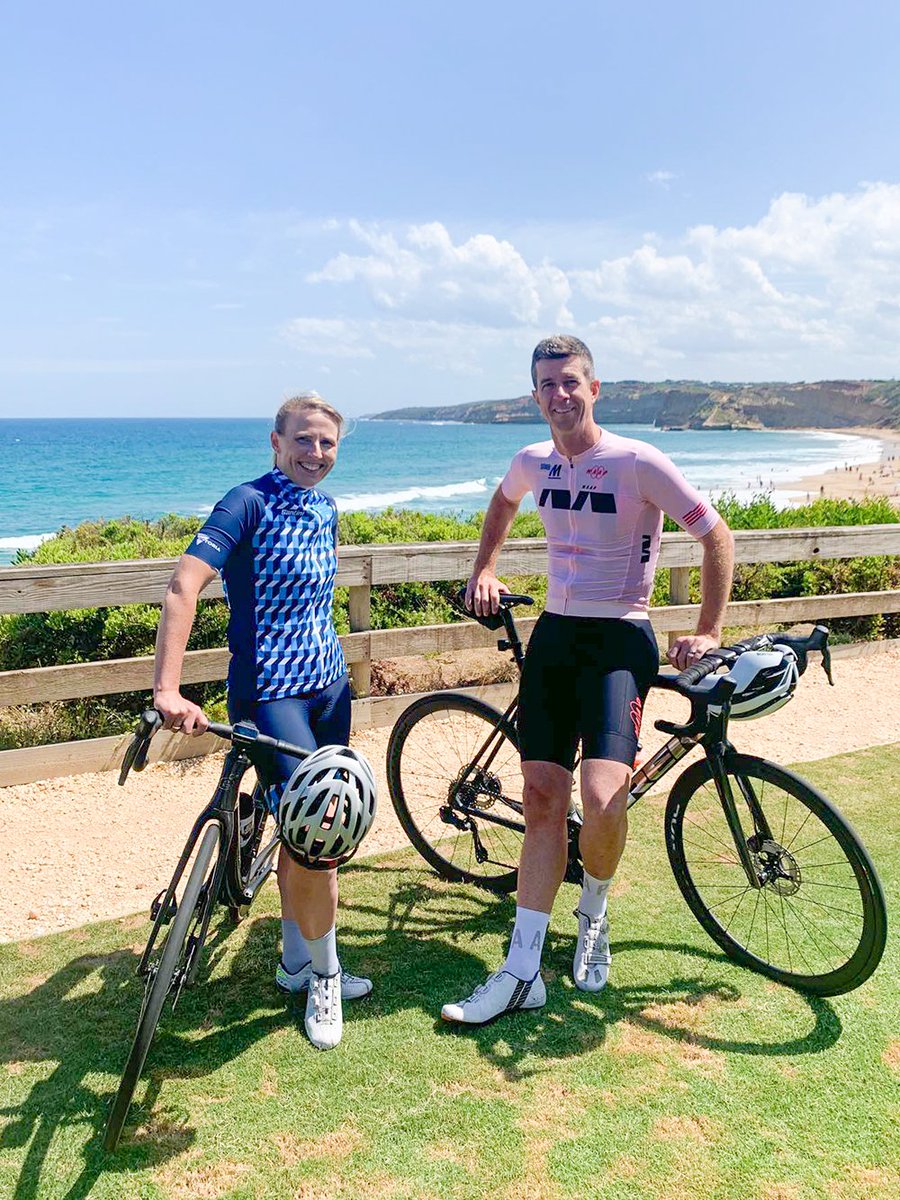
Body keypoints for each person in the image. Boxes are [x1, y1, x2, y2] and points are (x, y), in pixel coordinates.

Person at [441, 336, 734, 1026]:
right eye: (547, 385)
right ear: (534, 395)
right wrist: (484, 568)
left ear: (594, 389)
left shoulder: (637, 461)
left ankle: (593, 910)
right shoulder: (531, 461)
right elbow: (502, 505)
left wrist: (710, 628)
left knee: (604, 800)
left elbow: (716, 536)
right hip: (554, 635)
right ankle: (521, 971)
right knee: (542, 796)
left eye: (571, 382)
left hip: (618, 637)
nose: (559, 394)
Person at [153, 392, 370, 1051]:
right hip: (269, 693)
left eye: (327, 443)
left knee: (303, 834)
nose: (315, 453)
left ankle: (295, 961)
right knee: (322, 835)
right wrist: (167, 687)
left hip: (329, 689)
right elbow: (182, 585)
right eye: (303, 440)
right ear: (276, 443)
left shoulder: (326, 509)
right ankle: (327, 977)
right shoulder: (246, 502)